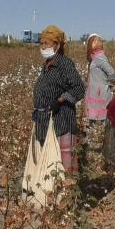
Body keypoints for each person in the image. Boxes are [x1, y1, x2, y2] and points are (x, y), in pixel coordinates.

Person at [32, 25, 85, 174]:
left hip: (61, 121)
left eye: (46, 43)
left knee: (63, 166)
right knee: (48, 165)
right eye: (41, 43)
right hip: (44, 121)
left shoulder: (64, 63)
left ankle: (65, 195)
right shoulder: (47, 65)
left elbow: (79, 88)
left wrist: (61, 99)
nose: (42, 47)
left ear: (57, 45)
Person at [84, 34, 115, 124]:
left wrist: (109, 85)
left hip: (99, 93)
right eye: (93, 41)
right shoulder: (96, 57)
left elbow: (112, 73)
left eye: (97, 41)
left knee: (99, 120)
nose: (96, 43)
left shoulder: (99, 57)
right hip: (95, 92)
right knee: (96, 121)